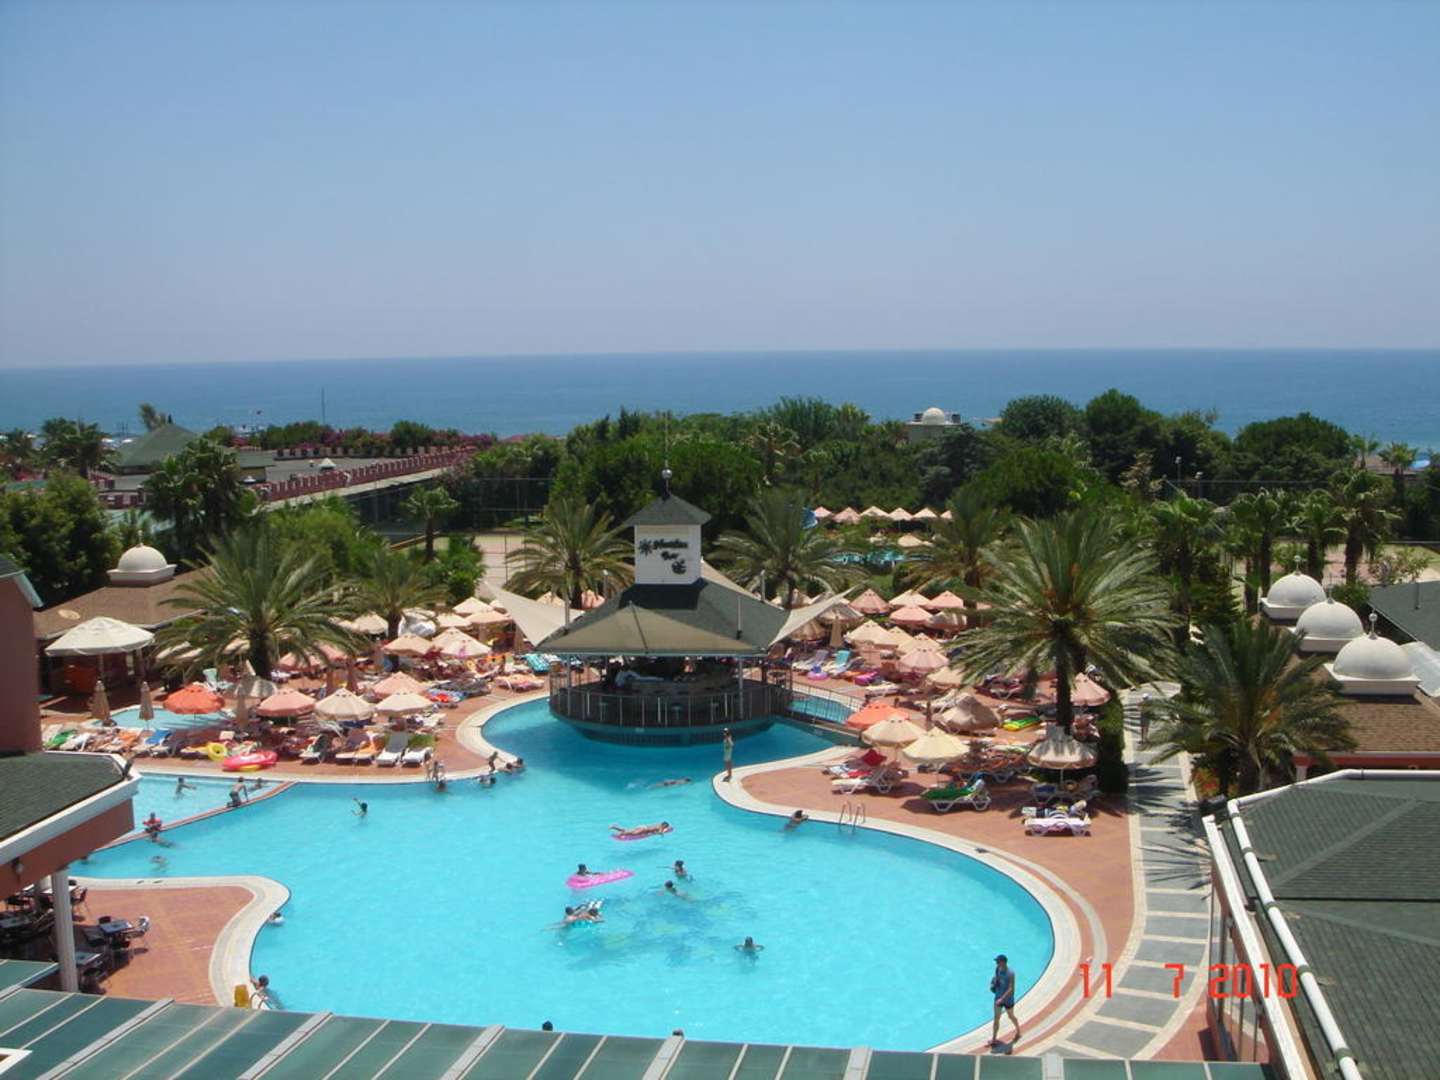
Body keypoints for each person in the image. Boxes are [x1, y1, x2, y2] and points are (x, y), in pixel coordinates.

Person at [989, 954, 1021, 1049]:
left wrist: (1002, 999)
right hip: (998, 997)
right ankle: (994, 1039)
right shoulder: (998, 969)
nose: (996, 963)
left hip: (1008, 1000)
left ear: (1003, 962)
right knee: (996, 1018)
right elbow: (996, 978)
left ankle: (1018, 1030)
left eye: (998, 962)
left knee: (1011, 1016)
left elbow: (1011, 989)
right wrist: (993, 983)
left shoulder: (1010, 973)